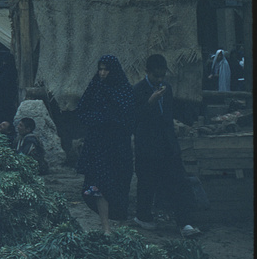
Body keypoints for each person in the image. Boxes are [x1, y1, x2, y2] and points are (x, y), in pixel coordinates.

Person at [133, 54, 201, 238]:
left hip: (168, 144)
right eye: (156, 76)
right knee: (147, 183)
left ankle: (184, 222)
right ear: (147, 72)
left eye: (162, 76)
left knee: (178, 181)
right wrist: (150, 102)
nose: (159, 79)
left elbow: (168, 116)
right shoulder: (138, 90)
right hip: (147, 146)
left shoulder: (167, 88)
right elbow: (134, 118)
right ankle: (143, 216)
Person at [75, 54, 135, 234]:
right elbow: (82, 110)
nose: (102, 73)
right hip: (98, 144)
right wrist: (100, 119)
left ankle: (122, 224)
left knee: (120, 181)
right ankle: (106, 227)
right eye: (100, 69)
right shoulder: (95, 87)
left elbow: (129, 115)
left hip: (118, 144)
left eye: (106, 70)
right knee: (100, 184)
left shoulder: (124, 89)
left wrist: (112, 120)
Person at [0, 53, 18, 129]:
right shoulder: (13, 71)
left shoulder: (5, 71)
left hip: (3, 98)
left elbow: (1, 84)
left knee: (2, 114)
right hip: (9, 99)